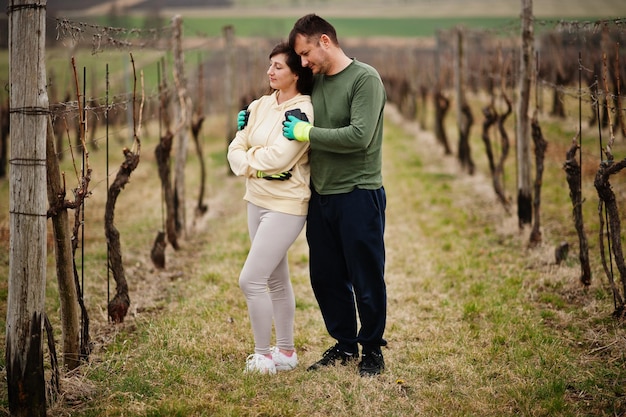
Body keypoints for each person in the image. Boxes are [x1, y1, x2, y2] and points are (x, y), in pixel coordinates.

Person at [282, 14, 388, 377]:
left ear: (325, 41)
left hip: (359, 193)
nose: (305, 62)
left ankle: (372, 349)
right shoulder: (315, 82)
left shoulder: (365, 79)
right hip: (321, 195)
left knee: (366, 276)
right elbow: (285, 104)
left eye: (307, 53)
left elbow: (359, 136)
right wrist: (254, 116)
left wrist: (307, 133)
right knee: (326, 277)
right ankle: (344, 345)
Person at [227, 42, 314, 375]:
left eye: (278, 66)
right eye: (270, 65)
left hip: (286, 205)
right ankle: (286, 352)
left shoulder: (302, 112)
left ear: (296, 73)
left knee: (251, 280)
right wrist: (256, 166)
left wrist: (248, 161)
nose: (270, 71)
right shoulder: (259, 104)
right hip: (257, 199)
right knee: (276, 279)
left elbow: (281, 157)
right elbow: (236, 146)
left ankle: (263, 356)